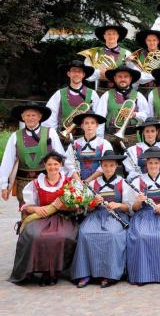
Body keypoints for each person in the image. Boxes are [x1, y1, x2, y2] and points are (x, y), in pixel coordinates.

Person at [10, 151, 78, 285]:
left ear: (61, 165)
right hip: (41, 217)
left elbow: (76, 206)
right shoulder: (36, 183)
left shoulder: (69, 183)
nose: (53, 167)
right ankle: (38, 271)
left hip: (63, 218)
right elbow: (27, 206)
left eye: (56, 164)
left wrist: (65, 206)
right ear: (45, 165)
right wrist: (36, 209)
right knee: (34, 235)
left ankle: (54, 273)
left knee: (62, 236)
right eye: (49, 164)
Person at [71, 150, 133, 288]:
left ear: (116, 166)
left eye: (111, 165)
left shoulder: (123, 182)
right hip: (96, 215)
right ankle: (85, 273)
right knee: (85, 233)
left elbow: (128, 207)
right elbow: (87, 207)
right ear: (101, 166)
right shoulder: (93, 184)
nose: (108, 168)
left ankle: (109, 274)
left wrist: (117, 204)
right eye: (105, 165)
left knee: (112, 235)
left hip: (116, 216)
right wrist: (94, 202)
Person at [126, 148, 160, 285]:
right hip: (144, 215)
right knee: (140, 236)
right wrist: (139, 201)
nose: (153, 166)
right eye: (150, 163)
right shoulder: (138, 181)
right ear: (146, 164)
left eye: (156, 163)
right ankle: (142, 275)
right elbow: (133, 208)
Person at [0, 103, 65, 207]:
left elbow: (61, 157)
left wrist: (62, 179)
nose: (30, 118)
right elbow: (7, 161)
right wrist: (4, 185)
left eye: (33, 115)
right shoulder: (15, 136)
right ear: (22, 117)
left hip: (47, 182)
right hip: (23, 184)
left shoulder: (51, 133)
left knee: (47, 211)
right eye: (27, 115)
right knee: (26, 213)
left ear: (39, 117)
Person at [43, 59, 99, 132]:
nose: (76, 74)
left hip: (85, 136)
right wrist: (54, 135)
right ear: (69, 74)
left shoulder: (93, 94)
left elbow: (98, 116)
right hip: (63, 135)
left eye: (79, 71)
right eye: (73, 71)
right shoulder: (59, 94)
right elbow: (51, 118)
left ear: (83, 75)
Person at [94, 65, 151, 136]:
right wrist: (100, 138)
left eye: (126, 76)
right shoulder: (106, 95)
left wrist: (135, 114)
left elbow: (147, 115)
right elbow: (100, 118)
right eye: (119, 76)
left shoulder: (139, 95)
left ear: (130, 79)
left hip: (133, 137)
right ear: (115, 78)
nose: (122, 79)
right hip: (111, 136)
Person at [64, 112, 113, 182]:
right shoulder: (74, 144)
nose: (89, 126)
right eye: (86, 123)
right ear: (82, 126)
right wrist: (78, 181)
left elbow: (106, 165)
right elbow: (68, 163)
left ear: (97, 125)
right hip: (77, 181)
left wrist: (87, 181)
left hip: (99, 181)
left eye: (92, 123)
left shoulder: (105, 144)